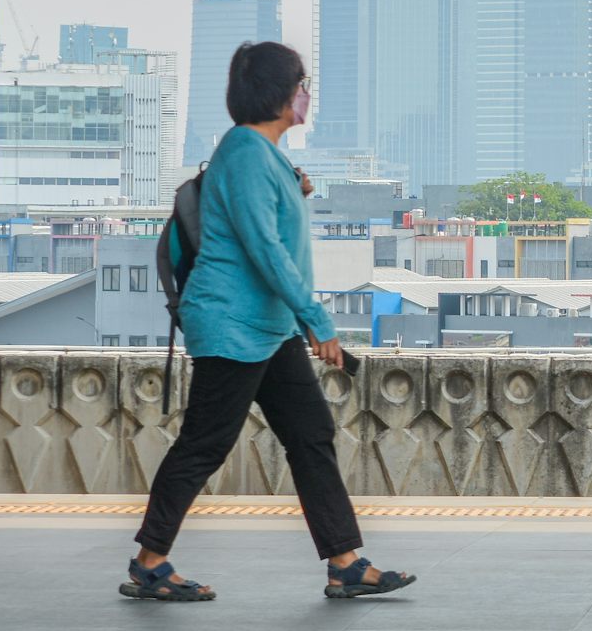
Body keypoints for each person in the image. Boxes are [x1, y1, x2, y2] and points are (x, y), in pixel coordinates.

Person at [123, 43, 413, 602]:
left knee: (310, 436)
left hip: (267, 326)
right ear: (282, 94)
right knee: (204, 445)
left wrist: (295, 189)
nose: (306, 94)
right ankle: (150, 561)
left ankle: (345, 562)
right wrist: (318, 320)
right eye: (302, 83)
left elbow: (262, 220)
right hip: (233, 325)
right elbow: (265, 249)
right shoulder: (249, 154)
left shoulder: (263, 154)